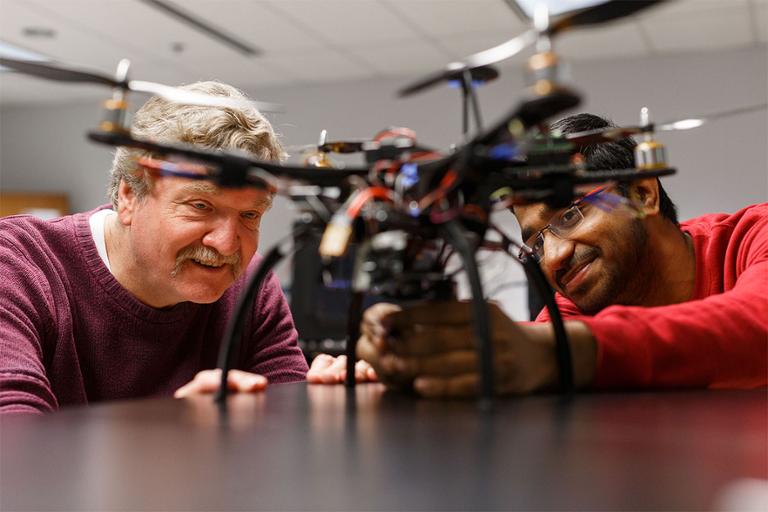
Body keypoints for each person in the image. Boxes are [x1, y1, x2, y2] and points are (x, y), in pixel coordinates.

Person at [346, 113, 768, 397]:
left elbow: (757, 324)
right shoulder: (575, 304)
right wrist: (419, 361)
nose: (553, 257)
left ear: (643, 193)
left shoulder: (754, 236)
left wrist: (561, 354)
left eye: (569, 215)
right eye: (537, 240)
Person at [0, 81, 308, 414]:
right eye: (200, 206)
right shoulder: (18, 265)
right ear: (129, 196)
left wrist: (330, 409)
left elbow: (293, 443)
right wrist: (172, 434)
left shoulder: (251, 287)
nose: (226, 244)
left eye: (249, 214)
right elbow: (14, 446)